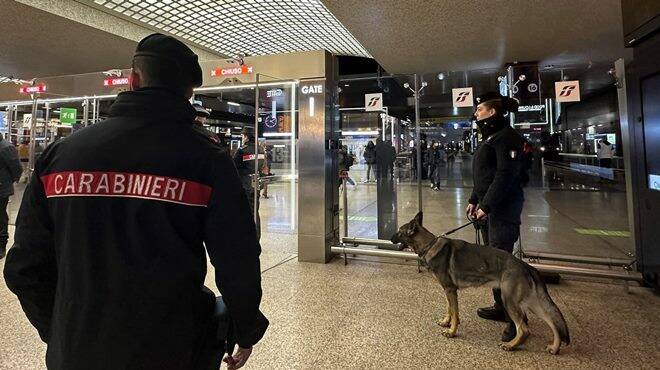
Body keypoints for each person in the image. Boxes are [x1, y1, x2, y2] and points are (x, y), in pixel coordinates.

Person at [3, 34, 268, 370]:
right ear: (189, 91)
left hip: (77, 348)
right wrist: (246, 329)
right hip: (172, 345)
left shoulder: (62, 155)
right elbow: (238, 257)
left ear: (133, 78)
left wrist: (59, 330)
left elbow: (25, 267)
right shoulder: (206, 159)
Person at [465, 91, 525, 344]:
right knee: (494, 261)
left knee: (503, 267)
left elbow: (504, 175)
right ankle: (501, 309)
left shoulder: (507, 138)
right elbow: (485, 175)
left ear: (492, 112)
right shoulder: (492, 136)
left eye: (479, 109)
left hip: (503, 210)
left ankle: (516, 321)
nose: (476, 113)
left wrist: (486, 205)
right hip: (490, 209)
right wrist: (474, 199)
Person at [233, 127, 265, 240]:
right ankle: (256, 236)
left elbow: (234, 167)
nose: (242, 138)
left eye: (242, 136)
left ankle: (246, 238)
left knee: (243, 212)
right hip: (255, 184)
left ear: (246, 136)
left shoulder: (242, 150)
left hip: (244, 185)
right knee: (255, 211)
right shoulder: (260, 149)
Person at [0, 134, 22, 259]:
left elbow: (16, 168)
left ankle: (2, 244)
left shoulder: (6, 147)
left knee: (1, 216)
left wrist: (9, 181)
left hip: (1, 188)